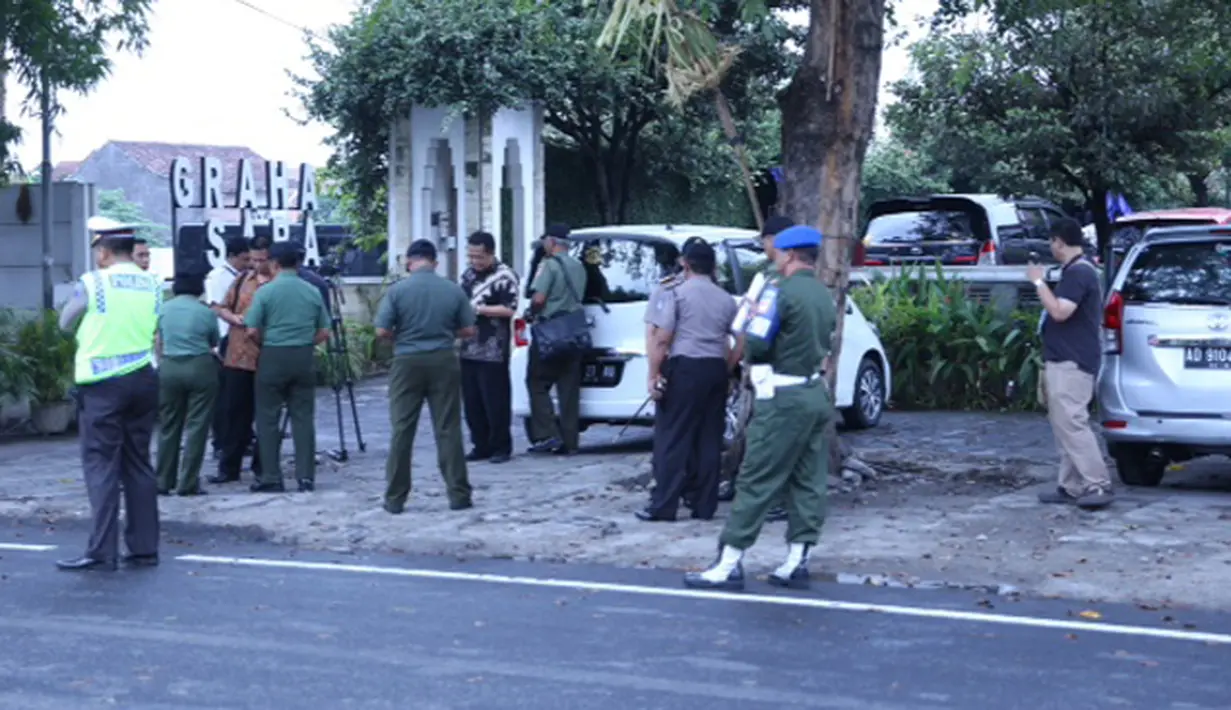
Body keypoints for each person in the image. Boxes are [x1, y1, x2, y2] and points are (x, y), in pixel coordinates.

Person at [683, 225, 836, 592]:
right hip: (814, 392)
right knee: (808, 479)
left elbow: (755, 343)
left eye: (774, 252)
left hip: (781, 398)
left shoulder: (777, 292)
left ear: (786, 255)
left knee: (756, 478)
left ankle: (729, 561)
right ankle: (797, 559)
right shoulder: (822, 294)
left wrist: (749, 317)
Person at [55, 222, 163, 571]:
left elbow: (65, 322)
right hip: (144, 378)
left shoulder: (94, 281)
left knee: (101, 465)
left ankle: (102, 551)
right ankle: (144, 548)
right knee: (138, 463)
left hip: (102, 383)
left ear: (103, 252)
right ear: (131, 250)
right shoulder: (153, 284)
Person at [638, 238, 739, 522]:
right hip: (715, 369)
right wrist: (728, 366)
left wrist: (654, 374)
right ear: (712, 266)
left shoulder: (676, 293)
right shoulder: (725, 298)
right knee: (709, 438)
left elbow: (661, 340)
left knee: (673, 437)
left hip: (684, 367)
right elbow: (740, 337)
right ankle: (705, 505)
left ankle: (664, 505)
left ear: (685, 263)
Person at [375, 239, 477, 514]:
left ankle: (395, 499)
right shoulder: (452, 290)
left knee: (402, 429)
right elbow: (469, 330)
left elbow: (382, 331)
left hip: (407, 362)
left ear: (410, 262)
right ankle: (458, 495)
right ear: (435, 262)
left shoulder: (398, 291)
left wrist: (403, 336)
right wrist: (444, 334)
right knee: (448, 428)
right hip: (444, 360)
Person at [1027, 217, 1113, 510]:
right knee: (1063, 424)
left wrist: (1038, 282)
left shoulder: (1079, 273)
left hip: (1072, 360)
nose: (1051, 247)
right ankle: (1071, 485)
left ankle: (1097, 484)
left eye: (1052, 242)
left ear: (1059, 242)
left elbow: (1060, 311)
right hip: (1065, 357)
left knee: (1073, 423)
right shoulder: (1077, 271)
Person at [244, 241, 331, 493]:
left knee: (268, 418)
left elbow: (251, 329)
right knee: (303, 418)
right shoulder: (312, 291)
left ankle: (271, 476)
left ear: (273, 263)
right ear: (299, 263)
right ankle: (306, 477)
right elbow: (324, 331)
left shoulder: (266, 292)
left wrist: (266, 342)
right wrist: (304, 342)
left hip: (272, 355)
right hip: (303, 357)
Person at [209, 236, 272, 484]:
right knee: (235, 413)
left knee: (266, 414)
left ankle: (263, 467)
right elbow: (219, 307)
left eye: (261, 260)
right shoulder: (241, 280)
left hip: (267, 355)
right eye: (253, 259)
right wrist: (234, 319)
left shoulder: (277, 284)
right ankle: (229, 468)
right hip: (238, 355)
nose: (256, 265)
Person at [155, 271, 220, 496]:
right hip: (200, 367)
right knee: (197, 426)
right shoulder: (205, 312)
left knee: (168, 425)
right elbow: (214, 341)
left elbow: (158, 339)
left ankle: (163, 480)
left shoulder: (163, 309)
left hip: (170, 367)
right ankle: (188, 482)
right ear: (200, 289)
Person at [526, 223, 588, 455]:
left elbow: (540, 298)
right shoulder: (579, 266)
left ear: (551, 242)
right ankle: (571, 441)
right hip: (574, 332)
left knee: (537, 383)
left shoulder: (549, 265)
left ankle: (548, 434)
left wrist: (531, 312)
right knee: (569, 389)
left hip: (550, 332)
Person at [459, 231, 520, 464]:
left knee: (495, 399)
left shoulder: (505, 276)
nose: (475, 261)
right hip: (468, 345)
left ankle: (500, 446)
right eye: (471, 256)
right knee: (472, 400)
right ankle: (480, 444)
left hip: (493, 346)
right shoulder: (467, 276)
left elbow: (510, 308)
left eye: (479, 257)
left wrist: (481, 310)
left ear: (491, 253)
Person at [205, 237, 250, 459]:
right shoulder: (219, 277)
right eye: (244, 259)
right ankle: (221, 441)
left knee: (241, 394)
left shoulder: (246, 277)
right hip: (225, 337)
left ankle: (243, 437)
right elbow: (214, 307)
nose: (248, 263)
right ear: (232, 256)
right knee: (224, 396)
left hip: (244, 339)